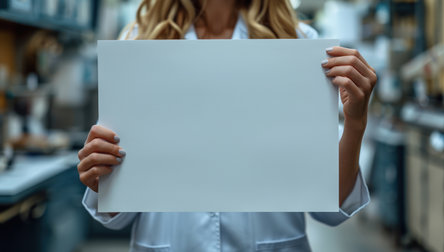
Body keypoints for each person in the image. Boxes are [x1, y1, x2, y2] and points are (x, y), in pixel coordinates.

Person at [77, 0, 377, 251]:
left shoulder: (300, 43)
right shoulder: (139, 45)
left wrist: (355, 122)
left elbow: (329, 206)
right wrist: (102, 175)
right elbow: (119, 212)